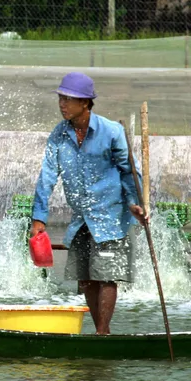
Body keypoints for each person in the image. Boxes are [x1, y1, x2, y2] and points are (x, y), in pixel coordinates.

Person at [31, 72, 147, 335]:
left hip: (111, 216)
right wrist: (39, 217)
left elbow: (129, 171)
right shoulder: (59, 135)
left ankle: (103, 332)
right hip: (82, 217)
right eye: (61, 98)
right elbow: (47, 174)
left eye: (68, 99)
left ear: (85, 103)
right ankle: (100, 332)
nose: (62, 104)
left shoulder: (111, 132)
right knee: (85, 277)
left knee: (106, 275)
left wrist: (134, 203)